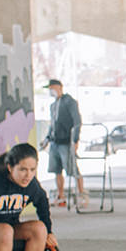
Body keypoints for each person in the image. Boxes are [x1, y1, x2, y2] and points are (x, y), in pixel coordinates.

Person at [44, 78, 87, 210]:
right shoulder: (53, 105)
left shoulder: (70, 102)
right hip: (54, 142)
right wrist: (47, 138)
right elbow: (52, 124)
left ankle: (81, 195)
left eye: (51, 88)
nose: (50, 91)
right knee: (56, 170)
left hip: (66, 142)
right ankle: (61, 196)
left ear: (58, 87)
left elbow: (77, 121)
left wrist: (75, 140)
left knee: (72, 169)